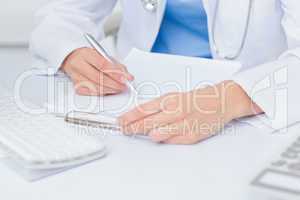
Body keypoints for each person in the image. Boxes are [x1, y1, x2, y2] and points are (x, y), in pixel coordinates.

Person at [30, 0, 300, 144]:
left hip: (253, 115)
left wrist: (234, 98)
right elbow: (63, 13)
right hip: (132, 103)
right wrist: (71, 51)